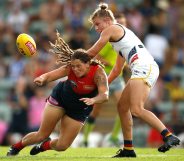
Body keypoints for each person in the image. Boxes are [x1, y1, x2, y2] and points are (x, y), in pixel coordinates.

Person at [86, 3, 180, 157]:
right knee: (123, 107)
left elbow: (93, 51)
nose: (96, 28)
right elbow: (117, 70)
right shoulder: (119, 41)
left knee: (136, 109)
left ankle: (168, 136)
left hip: (144, 67)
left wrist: (75, 58)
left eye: (97, 24)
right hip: (142, 68)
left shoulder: (112, 29)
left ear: (108, 21)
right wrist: (103, 87)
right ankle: (128, 149)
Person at [7, 32, 109, 156]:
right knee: (42, 134)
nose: (75, 69)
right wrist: (42, 78)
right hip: (60, 99)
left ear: (88, 63)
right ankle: (16, 147)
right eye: (73, 66)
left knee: (62, 146)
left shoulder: (98, 73)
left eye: (79, 66)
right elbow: (51, 75)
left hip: (79, 108)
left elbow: (105, 95)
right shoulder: (70, 68)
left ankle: (44, 146)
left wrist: (94, 100)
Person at [82, 13, 127, 147]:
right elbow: (97, 57)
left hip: (117, 79)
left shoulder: (123, 41)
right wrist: (109, 63)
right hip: (105, 78)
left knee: (124, 107)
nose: (121, 26)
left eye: (123, 23)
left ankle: (113, 136)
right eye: (119, 23)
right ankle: (85, 139)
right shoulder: (109, 41)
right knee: (96, 111)